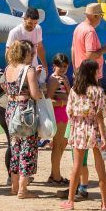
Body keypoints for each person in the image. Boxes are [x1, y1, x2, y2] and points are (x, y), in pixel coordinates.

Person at [62, 59, 106, 210]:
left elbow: (69, 112)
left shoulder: (74, 90)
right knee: (100, 166)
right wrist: (103, 136)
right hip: (94, 129)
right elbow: (101, 116)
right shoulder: (98, 91)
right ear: (92, 72)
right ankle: (104, 203)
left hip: (78, 129)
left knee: (77, 166)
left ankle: (70, 201)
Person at [3, 41, 43, 198]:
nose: (32, 55)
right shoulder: (29, 69)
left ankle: (14, 187)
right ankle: (23, 189)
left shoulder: (8, 69)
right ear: (25, 54)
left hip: (11, 109)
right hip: (25, 111)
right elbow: (35, 93)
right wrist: (41, 92)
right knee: (28, 149)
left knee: (15, 149)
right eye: (31, 53)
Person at [46, 54, 71, 185]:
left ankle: (54, 174)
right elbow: (48, 100)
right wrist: (63, 103)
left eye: (65, 66)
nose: (62, 69)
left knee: (62, 144)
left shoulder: (64, 78)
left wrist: (67, 87)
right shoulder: (54, 79)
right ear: (54, 66)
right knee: (57, 145)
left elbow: (70, 95)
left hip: (64, 113)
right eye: (60, 66)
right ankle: (56, 176)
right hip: (58, 114)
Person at [72, 3, 106, 77]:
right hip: (90, 76)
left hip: (80, 72)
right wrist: (104, 50)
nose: (101, 18)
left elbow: (73, 49)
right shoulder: (90, 31)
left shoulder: (79, 27)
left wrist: (75, 69)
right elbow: (90, 55)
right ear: (96, 16)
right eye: (101, 15)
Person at [6, 7, 46, 79]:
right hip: (19, 72)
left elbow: (40, 48)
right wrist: (13, 72)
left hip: (34, 69)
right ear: (24, 19)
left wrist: (44, 65)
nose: (33, 26)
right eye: (30, 23)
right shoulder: (15, 32)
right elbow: (8, 54)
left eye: (35, 23)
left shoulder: (38, 28)